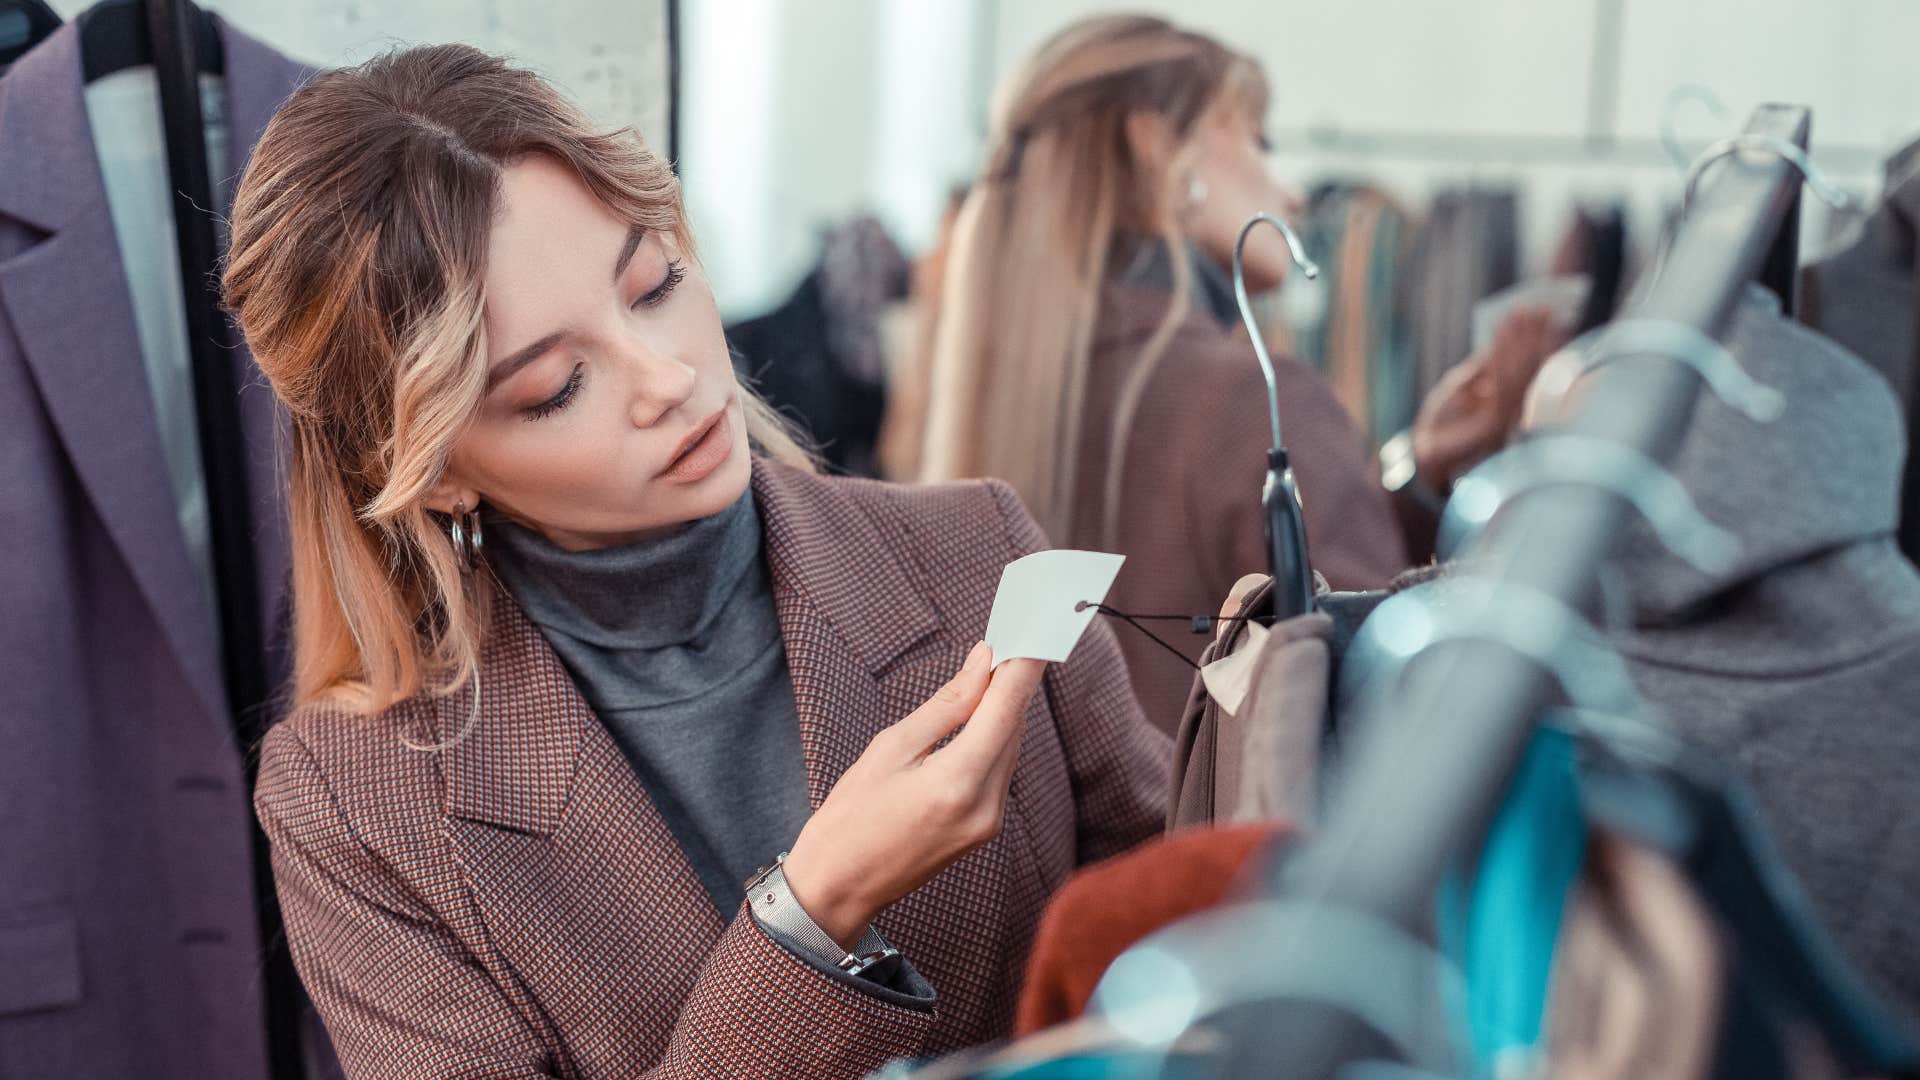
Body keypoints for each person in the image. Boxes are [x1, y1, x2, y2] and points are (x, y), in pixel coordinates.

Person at [223, 44, 1170, 1078]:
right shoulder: (353, 801)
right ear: (434, 470)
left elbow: (1195, 932)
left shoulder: (978, 553)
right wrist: (814, 916)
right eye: (553, 387)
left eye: (654, 283)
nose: (666, 377)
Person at [919, 14, 1541, 728]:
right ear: (1158, 149)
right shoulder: (1252, 401)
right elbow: (1382, 687)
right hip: (1232, 839)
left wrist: (1414, 471)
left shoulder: (1006, 391)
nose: (1295, 195)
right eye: (1258, 142)